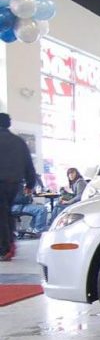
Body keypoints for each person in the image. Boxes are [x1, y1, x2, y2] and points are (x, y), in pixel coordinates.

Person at [0, 112, 37, 261]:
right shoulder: (19, 141)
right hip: (13, 184)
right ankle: (10, 242)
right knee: (6, 212)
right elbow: (29, 164)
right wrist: (30, 184)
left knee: (2, 215)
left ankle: (5, 248)